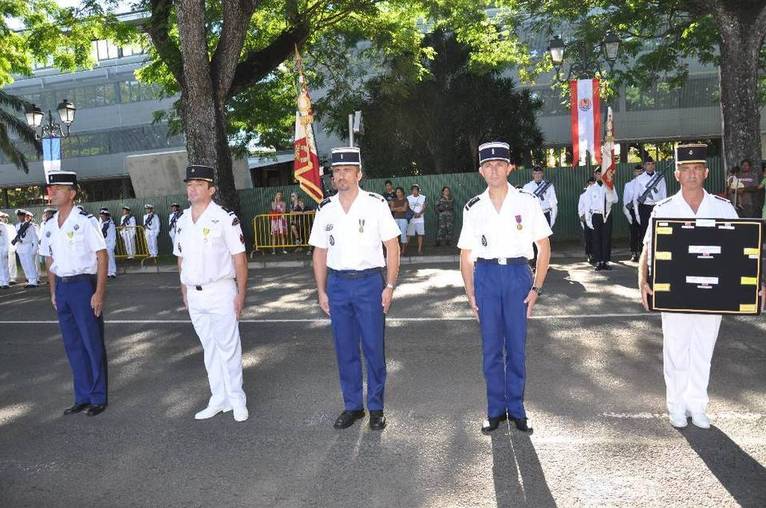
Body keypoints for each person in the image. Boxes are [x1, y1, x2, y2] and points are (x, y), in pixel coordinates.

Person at [639, 143, 766, 429]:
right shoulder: (664, 208)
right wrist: (643, 282)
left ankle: (697, 406)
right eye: (686, 169)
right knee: (676, 350)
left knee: (703, 350)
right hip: (674, 295)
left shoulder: (721, 207)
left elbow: (743, 248)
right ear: (677, 174)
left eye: (697, 169)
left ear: (706, 173)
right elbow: (648, 248)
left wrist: (757, 284)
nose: (692, 174)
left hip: (714, 295)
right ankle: (676, 406)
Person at [458, 141, 552, 434]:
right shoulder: (473, 206)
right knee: (491, 350)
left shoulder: (527, 201)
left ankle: (517, 409)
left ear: (510, 167)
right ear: (480, 171)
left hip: (516, 274)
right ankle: (495, 410)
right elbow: (465, 255)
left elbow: (544, 247)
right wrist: (470, 293)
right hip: (486, 275)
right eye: (488, 165)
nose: (494, 170)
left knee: (516, 348)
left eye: (499, 164)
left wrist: (536, 289)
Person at [308, 146, 401, 431]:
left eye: (347, 170)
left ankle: (376, 408)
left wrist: (389, 285)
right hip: (337, 285)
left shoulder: (375, 204)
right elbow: (320, 253)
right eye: (336, 171)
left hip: (369, 283)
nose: (341, 176)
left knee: (373, 347)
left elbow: (392, 247)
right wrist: (321, 291)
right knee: (345, 349)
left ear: (359, 174)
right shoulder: (326, 208)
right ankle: (353, 407)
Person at [173, 164, 249, 422]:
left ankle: (237, 399)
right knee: (209, 348)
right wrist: (184, 290)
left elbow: (239, 258)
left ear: (211, 189)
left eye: (198, 185)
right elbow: (181, 258)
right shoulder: (182, 220)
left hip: (221, 290)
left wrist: (241, 293)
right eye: (189, 185)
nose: (192, 189)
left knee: (228, 347)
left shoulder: (224, 218)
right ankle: (219, 398)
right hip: (194, 293)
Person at [40, 171, 109, 417]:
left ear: (72, 193)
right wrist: (53, 292)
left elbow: (102, 255)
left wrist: (99, 293)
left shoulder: (85, 221)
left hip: (83, 286)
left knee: (91, 343)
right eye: (52, 188)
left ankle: (98, 397)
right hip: (63, 287)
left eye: (58, 188)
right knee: (73, 345)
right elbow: (49, 259)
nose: (53, 192)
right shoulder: (49, 224)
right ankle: (82, 396)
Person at [584, 167, 619, 271]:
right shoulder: (591, 188)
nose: (599, 175)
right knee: (596, 239)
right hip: (596, 215)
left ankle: (605, 261)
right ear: (595, 175)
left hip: (607, 214)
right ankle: (599, 261)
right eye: (597, 174)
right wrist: (588, 219)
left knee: (606, 238)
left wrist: (610, 191)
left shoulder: (609, 185)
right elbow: (587, 205)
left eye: (601, 173)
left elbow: (616, 200)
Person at [523, 166, 557, 265]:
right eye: (535, 173)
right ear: (532, 175)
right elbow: (524, 203)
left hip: (545, 213)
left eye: (539, 173)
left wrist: (553, 218)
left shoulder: (549, 186)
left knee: (545, 239)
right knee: (534, 238)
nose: (537, 175)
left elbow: (553, 202)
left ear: (542, 174)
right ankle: (534, 261)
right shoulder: (527, 187)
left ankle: (544, 262)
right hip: (533, 215)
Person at [632, 157, 667, 245]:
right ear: (644, 166)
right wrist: (637, 214)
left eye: (652, 164)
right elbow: (635, 197)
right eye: (648, 164)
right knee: (645, 232)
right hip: (644, 208)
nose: (650, 166)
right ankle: (645, 255)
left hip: (657, 207)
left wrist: (663, 210)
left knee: (658, 231)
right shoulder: (639, 179)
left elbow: (664, 194)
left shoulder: (660, 177)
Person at [622, 165, 644, 262]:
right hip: (632, 211)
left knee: (643, 232)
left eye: (641, 171)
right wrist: (628, 214)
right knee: (633, 233)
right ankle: (634, 253)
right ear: (634, 173)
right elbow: (626, 200)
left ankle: (643, 252)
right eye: (637, 171)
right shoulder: (628, 185)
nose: (639, 173)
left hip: (643, 209)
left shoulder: (645, 184)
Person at [13, 209, 39, 287]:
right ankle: (29, 280)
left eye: (21, 216)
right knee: (24, 265)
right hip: (20, 247)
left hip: (28, 246)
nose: (20, 217)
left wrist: (35, 248)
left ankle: (34, 281)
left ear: (25, 216)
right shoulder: (17, 226)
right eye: (19, 216)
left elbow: (35, 238)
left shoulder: (30, 226)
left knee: (30, 264)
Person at [578, 177, 595, 264]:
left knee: (595, 237)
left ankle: (596, 254)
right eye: (590, 183)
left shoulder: (597, 194)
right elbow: (580, 208)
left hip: (595, 218)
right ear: (587, 185)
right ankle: (589, 254)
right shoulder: (583, 196)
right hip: (586, 219)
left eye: (593, 183)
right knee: (588, 238)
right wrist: (582, 216)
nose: (591, 185)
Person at [406, 184, 427, 255]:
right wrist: (414, 213)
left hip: (420, 219)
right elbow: (407, 207)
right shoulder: (408, 198)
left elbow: (424, 206)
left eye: (416, 190)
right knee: (408, 234)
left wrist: (419, 213)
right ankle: (404, 249)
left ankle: (419, 249)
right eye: (413, 190)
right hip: (411, 219)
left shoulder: (423, 197)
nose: (414, 191)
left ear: (418, 191)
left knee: (420, 234)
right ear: (411, 191)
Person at [389, 186, 411, 253]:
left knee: (403, 234)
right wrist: (400, 208)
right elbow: (391, 209)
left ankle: (403, 250)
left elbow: (404, 209)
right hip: (395, 218)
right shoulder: (394, 200)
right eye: (397, 192)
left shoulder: (405, 200)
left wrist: (396, 208)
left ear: (402, 193)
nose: (398, 193)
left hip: (404, 219)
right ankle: (396, 249)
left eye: (399, 192)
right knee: (395, 234)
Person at [99, 208, 118, 278]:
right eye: (101, 216)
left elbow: (113, 236)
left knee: (111, 258)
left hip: (109, 244)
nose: (102, 217)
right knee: (106, 259)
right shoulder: (101, 224)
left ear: (106, 216)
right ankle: (108, 272)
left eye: (103, 216)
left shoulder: (111, 224)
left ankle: (113, 272)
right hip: (103, 244)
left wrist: (112, 245)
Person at [3, 212, 16, 284]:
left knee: (11, 263)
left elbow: (14, 236)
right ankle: (4, 278)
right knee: (3, 263)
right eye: (2, 217)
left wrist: (14, 247)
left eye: (5, 217)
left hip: (10, 246)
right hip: (2, 247)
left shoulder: (11, 227)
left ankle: (12, 277)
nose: (4, 219)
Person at [0, 211, 9, 288]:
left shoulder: (2, 226)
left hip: (2, 247)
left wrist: (6, 249)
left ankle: (5, 282)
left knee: (4, 265)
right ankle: (1, 281)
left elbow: (6, 238)